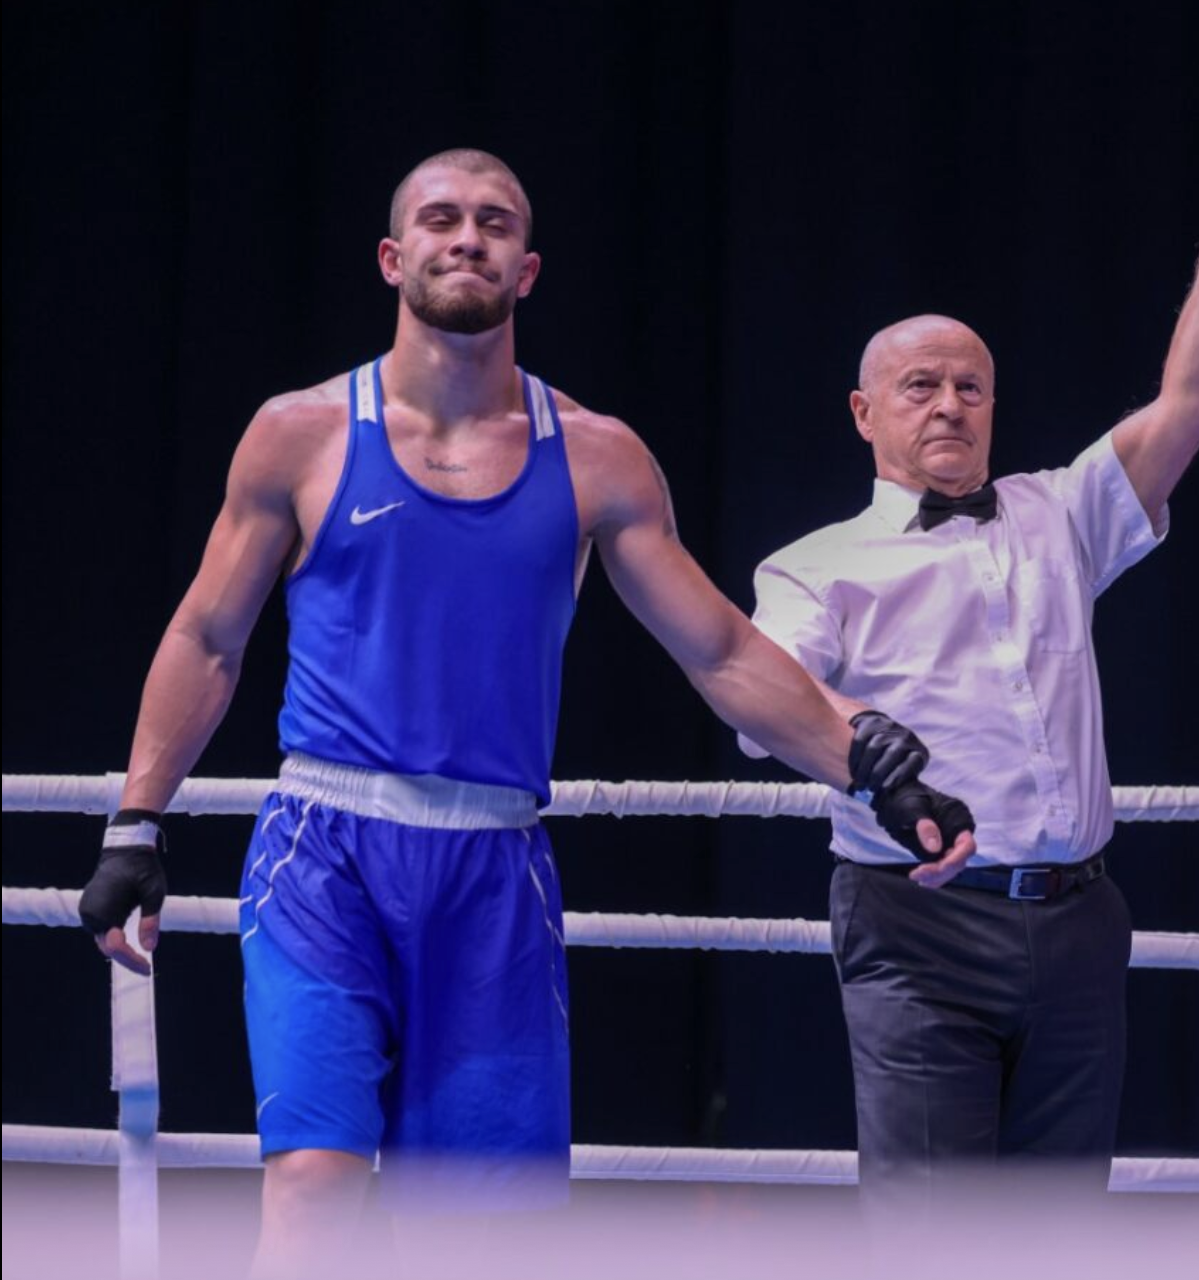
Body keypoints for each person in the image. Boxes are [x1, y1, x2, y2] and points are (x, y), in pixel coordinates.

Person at [73, 149, 976, 1275]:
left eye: (493, 223)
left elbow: (721, 648)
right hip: (325, 853)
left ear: (528, 267)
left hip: (493, 869)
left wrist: (873, 770)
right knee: (311, 1188)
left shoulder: (598, 457)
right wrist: (134, 823)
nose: (468, 238)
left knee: (482, 1233)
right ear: (394, 257)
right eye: (442, 219)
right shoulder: (298, 432)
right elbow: (208, 634)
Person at [742, 126, 1199, 1217]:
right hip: (914, 922)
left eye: (969, 387)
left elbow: (1192, 403)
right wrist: (869, 749)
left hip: (1076, 916)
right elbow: (765, 697)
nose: (946, 405)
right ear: (864, 411)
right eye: (920, 385)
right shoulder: (812, 566)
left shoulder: (1056, 509)